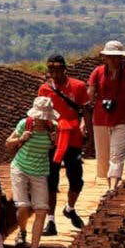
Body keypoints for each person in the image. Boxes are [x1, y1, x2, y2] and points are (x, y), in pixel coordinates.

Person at [38, 55, 88, 235]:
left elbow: (85, 110)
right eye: (51, 69)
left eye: (58, 68)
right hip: (53, 140)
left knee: (76, 180)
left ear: (65, 68)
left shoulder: (78, 86)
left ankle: (70, 208)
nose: (54, 72)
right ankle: (50, 222)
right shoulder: (44, 89)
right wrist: (47, 131)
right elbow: (40, 115)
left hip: (73, 137)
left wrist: (84, 127)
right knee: (51, 181)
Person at [6, 97, 57, 248]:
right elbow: (8, 143)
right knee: (23, 207)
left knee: (42, 210)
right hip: (20, 167)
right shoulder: (24, 124)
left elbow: (54, 148)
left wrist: (55, 141)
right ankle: (22, 231)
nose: (41, 119)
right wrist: (21, 138)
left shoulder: (52, 128)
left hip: (40, 171)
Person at [88, 41, 125, 192]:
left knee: (117, 154)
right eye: (110, 57)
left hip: (123, 118)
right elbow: (90, 95)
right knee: (104, 157)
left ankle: (112, 189)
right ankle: (110, 186)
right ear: (104, 58)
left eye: (116, 57)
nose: (113, 60)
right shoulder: (97, 72)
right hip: (100, 119)